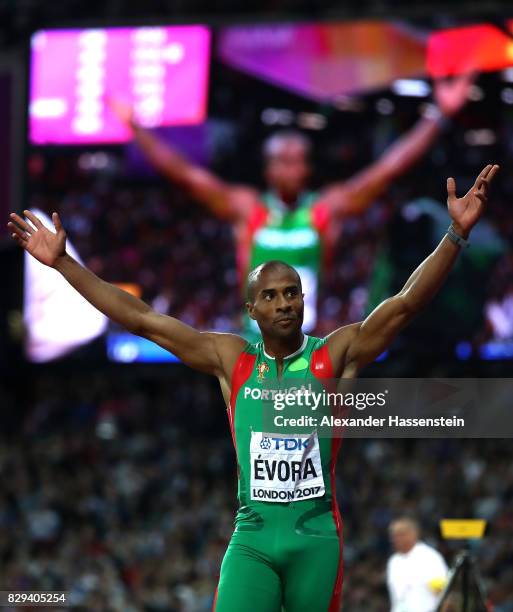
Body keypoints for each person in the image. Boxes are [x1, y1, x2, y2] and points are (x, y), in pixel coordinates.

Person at [8, 163, 498, 611]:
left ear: (304, 300)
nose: (283, 303)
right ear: (252, 310)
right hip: (253, 539)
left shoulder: (336, 354)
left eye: (291, 294)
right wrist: (63, 264)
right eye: (270, 296)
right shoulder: (231, 360)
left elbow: (405, 304)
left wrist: (455, 234)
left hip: (316, 539)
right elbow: (140, 318)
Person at [109, 74, 472, 336]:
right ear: (268, 169)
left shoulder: (323, 210)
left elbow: (387, 170)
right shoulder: (248, 210)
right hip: (253, 344)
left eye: (299, 159)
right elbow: (185, 174)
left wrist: (438, 115)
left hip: (305, 342)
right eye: (284, 159)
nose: (293, 167)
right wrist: (135, 127)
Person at [387, 517, 449, 612]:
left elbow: (444, 592)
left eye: (400, 534)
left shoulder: (429, 557)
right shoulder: (393, 561)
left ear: (413, 534)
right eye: (394, 535)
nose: (396, 539)